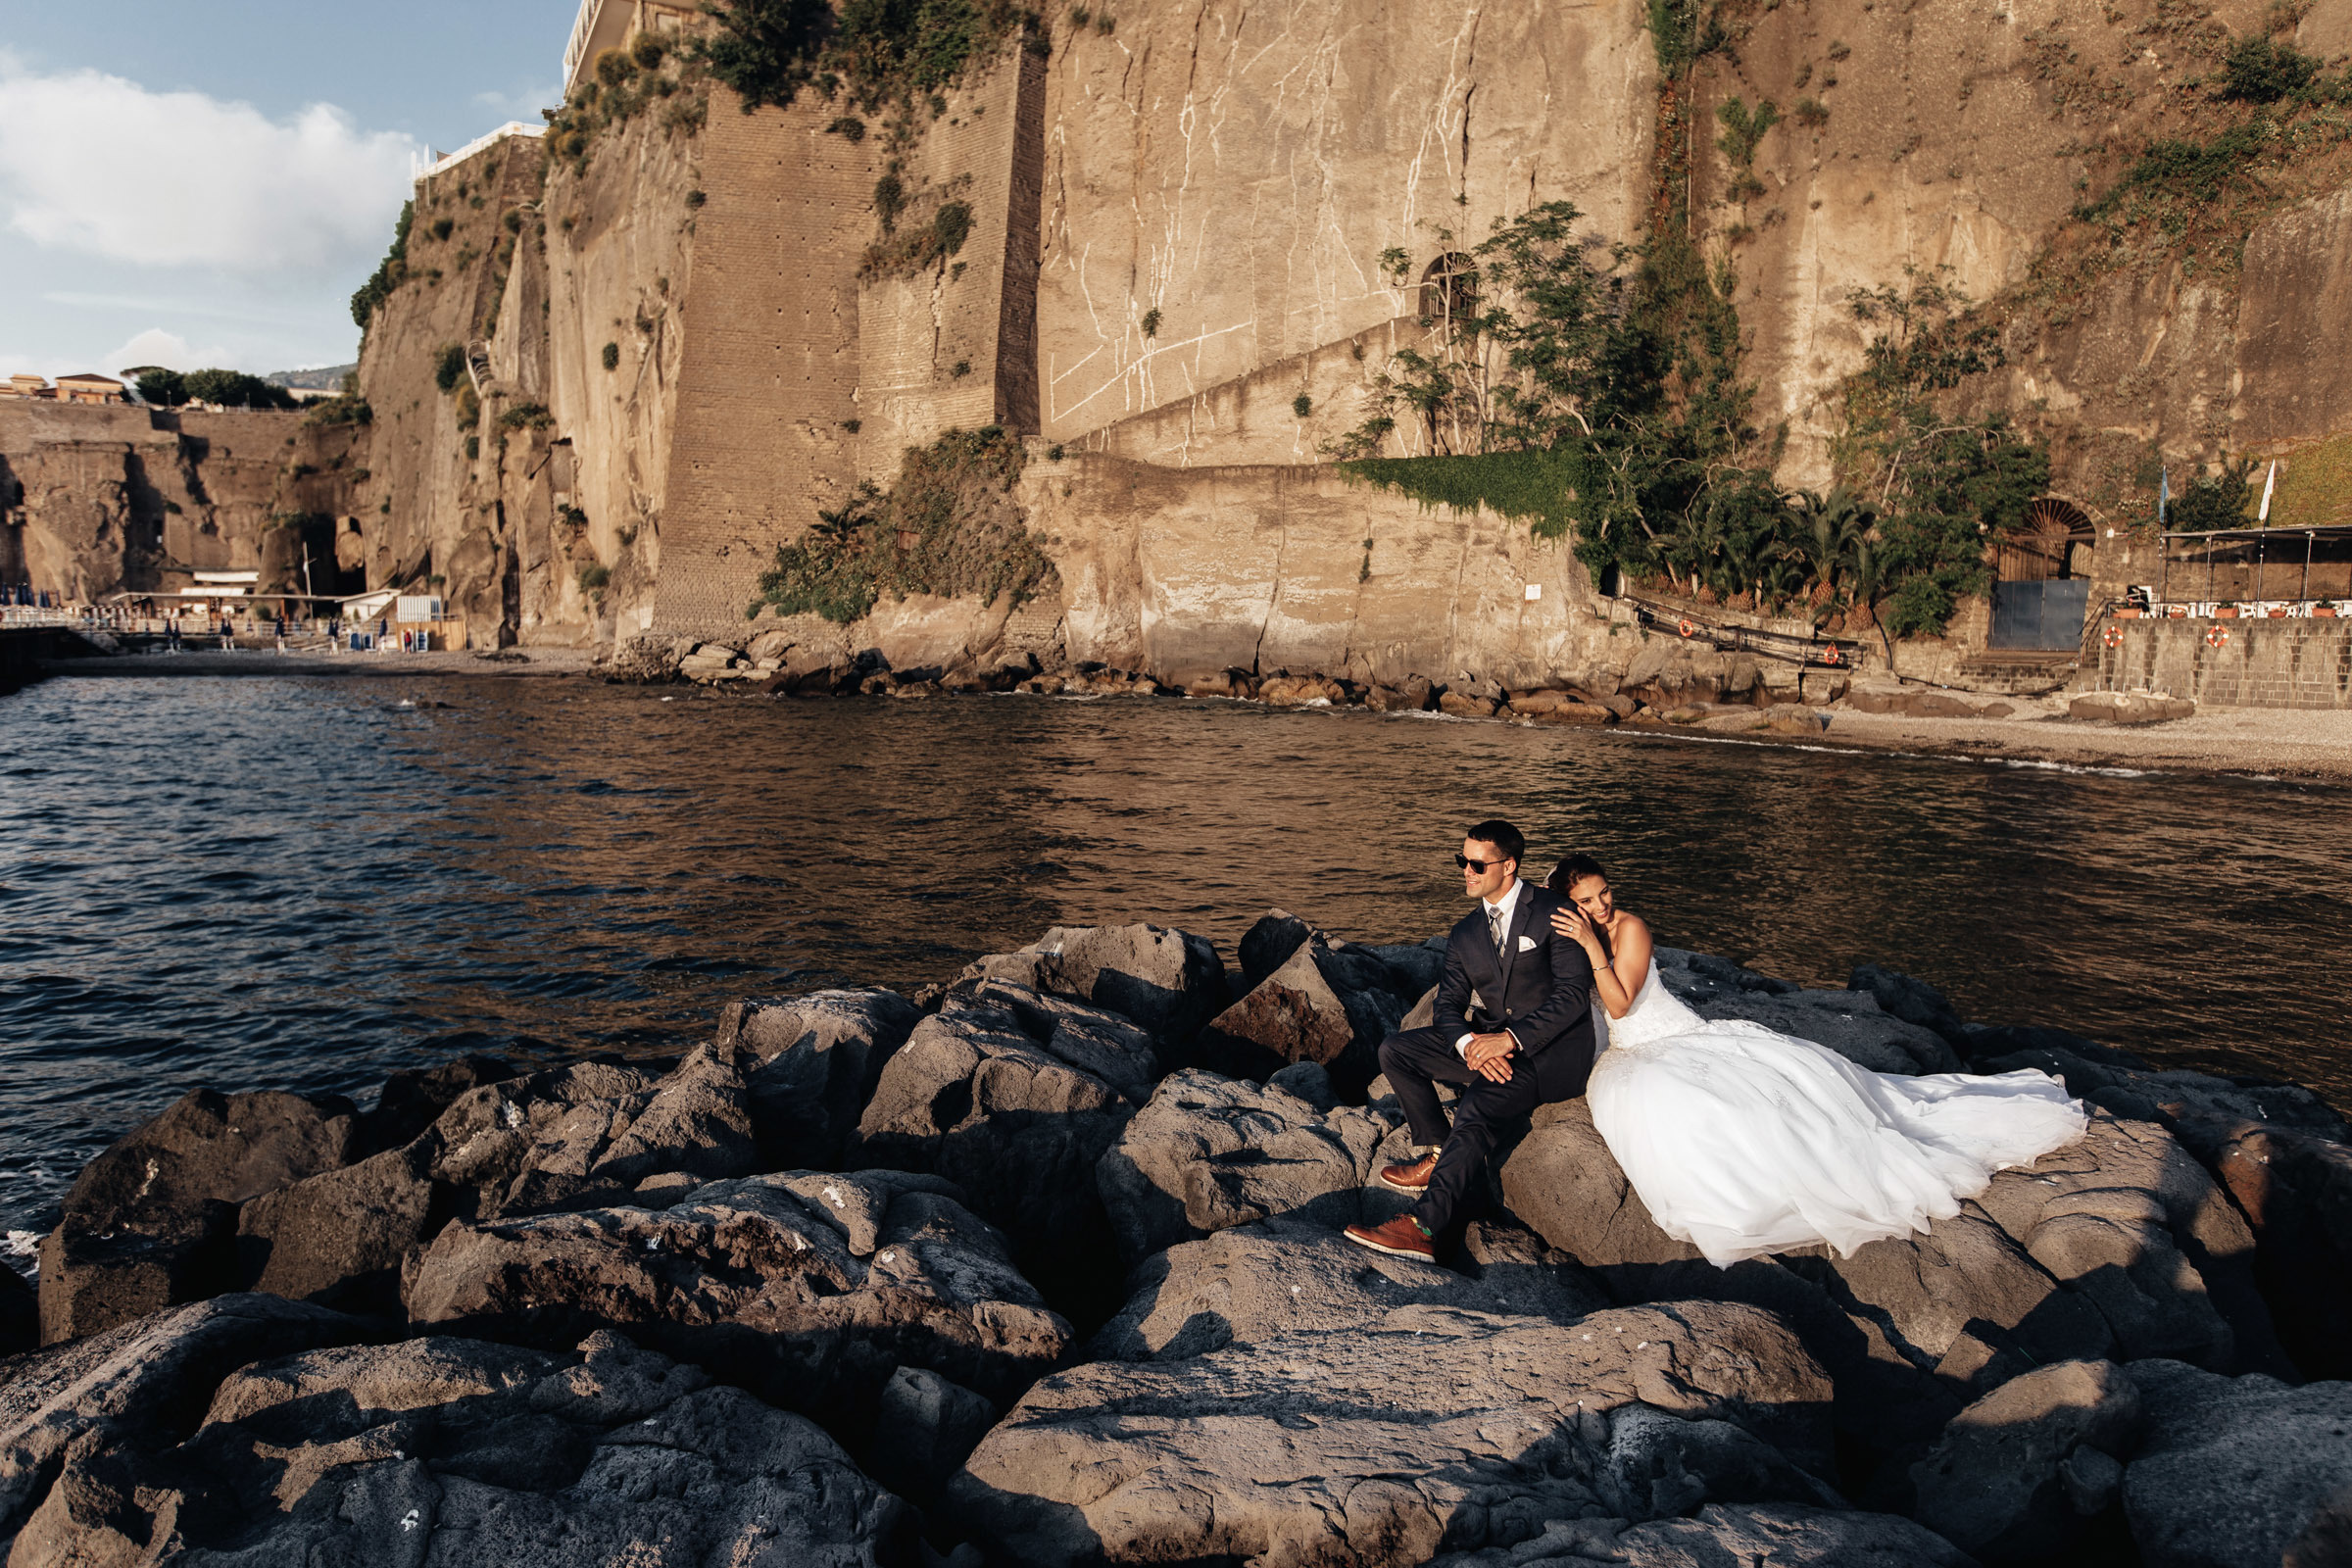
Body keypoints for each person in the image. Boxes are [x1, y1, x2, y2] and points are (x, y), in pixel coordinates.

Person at [1545, 855, 2086, 1266]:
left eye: (1605, 893)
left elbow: (1619, 1000)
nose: (1602, 907)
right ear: (1568, 908)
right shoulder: (1567, 938)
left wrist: (1595, 947)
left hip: (1673, 1037)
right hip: (1627, 1052)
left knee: (1734, 1104)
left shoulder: (1629, 930)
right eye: (1588, 902)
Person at [1344, 819, 1597, 1262]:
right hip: (1491, 1045)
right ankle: (1442, 1151)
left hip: (1552, 1055)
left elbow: (1573, 996)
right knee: (1396, 1050)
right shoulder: (1464, 932)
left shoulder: (1554, 911)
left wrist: (1508, 1041)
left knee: (1477, 1104)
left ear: (1509, 865)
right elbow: (1447, 1006)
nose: (1466, 870)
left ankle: (1423, 1227)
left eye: (1477, 864)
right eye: (1462, 860)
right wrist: (1469, 1046)